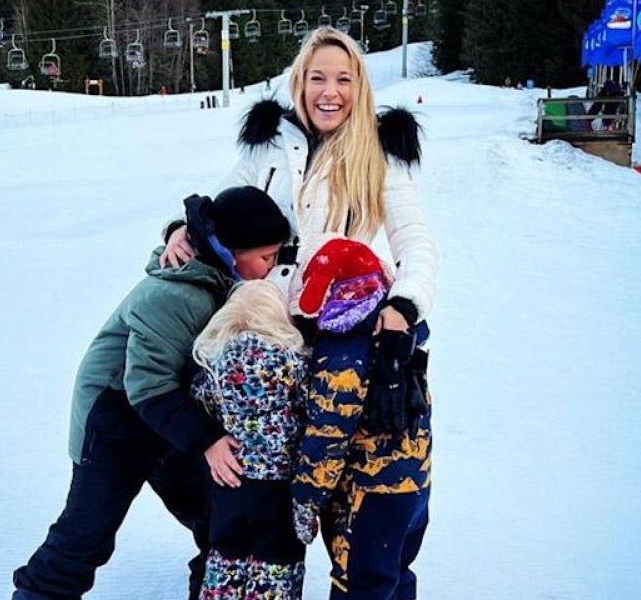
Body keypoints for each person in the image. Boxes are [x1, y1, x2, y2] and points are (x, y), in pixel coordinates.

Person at [162, 27, 438, 599]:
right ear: (299, 82)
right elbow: (221, 209)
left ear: (359, 86)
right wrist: (181, 232)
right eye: (317, 78)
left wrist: (403, 305)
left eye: (343, 79)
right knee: (251, 501)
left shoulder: (379, 152)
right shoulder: (268, 142)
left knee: (352, 512)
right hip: (266, 349)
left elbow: (415, 242)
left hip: (338, 346)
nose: (329, 92)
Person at [10, 186, 291, 600]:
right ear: (232, 251)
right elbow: (147, 385)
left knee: (217, 523)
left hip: (173, 417)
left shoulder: (222, 279)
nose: (272, 267)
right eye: (267, 257)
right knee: (87, 534)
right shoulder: (176, 295)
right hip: (115, 418)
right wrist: (207, 440)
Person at [290, 236, 431, 600]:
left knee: (359, 586)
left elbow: (327, 436)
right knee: (396, 574)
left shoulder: (344, 353)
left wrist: (306, 499)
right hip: (413, 488)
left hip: (367, 499)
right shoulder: (402, 340)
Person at [191, 279, 309, 599]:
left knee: (226, 560)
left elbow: (202, 399)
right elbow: (309, 409)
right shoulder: (294, 362)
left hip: (231, 479)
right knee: (277, 565)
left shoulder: (216, 360)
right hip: (279, 487)